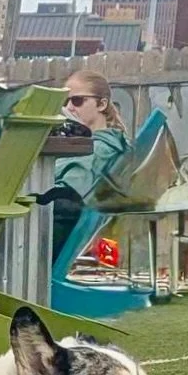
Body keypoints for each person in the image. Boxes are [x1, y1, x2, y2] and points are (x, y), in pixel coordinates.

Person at [44, 70, 130, 258]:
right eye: (65, 102)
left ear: (102, 104)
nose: (69, 108)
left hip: (80, 245)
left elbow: (69, 194)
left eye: (77, 101)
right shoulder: (96, 144)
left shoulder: (101, 149)